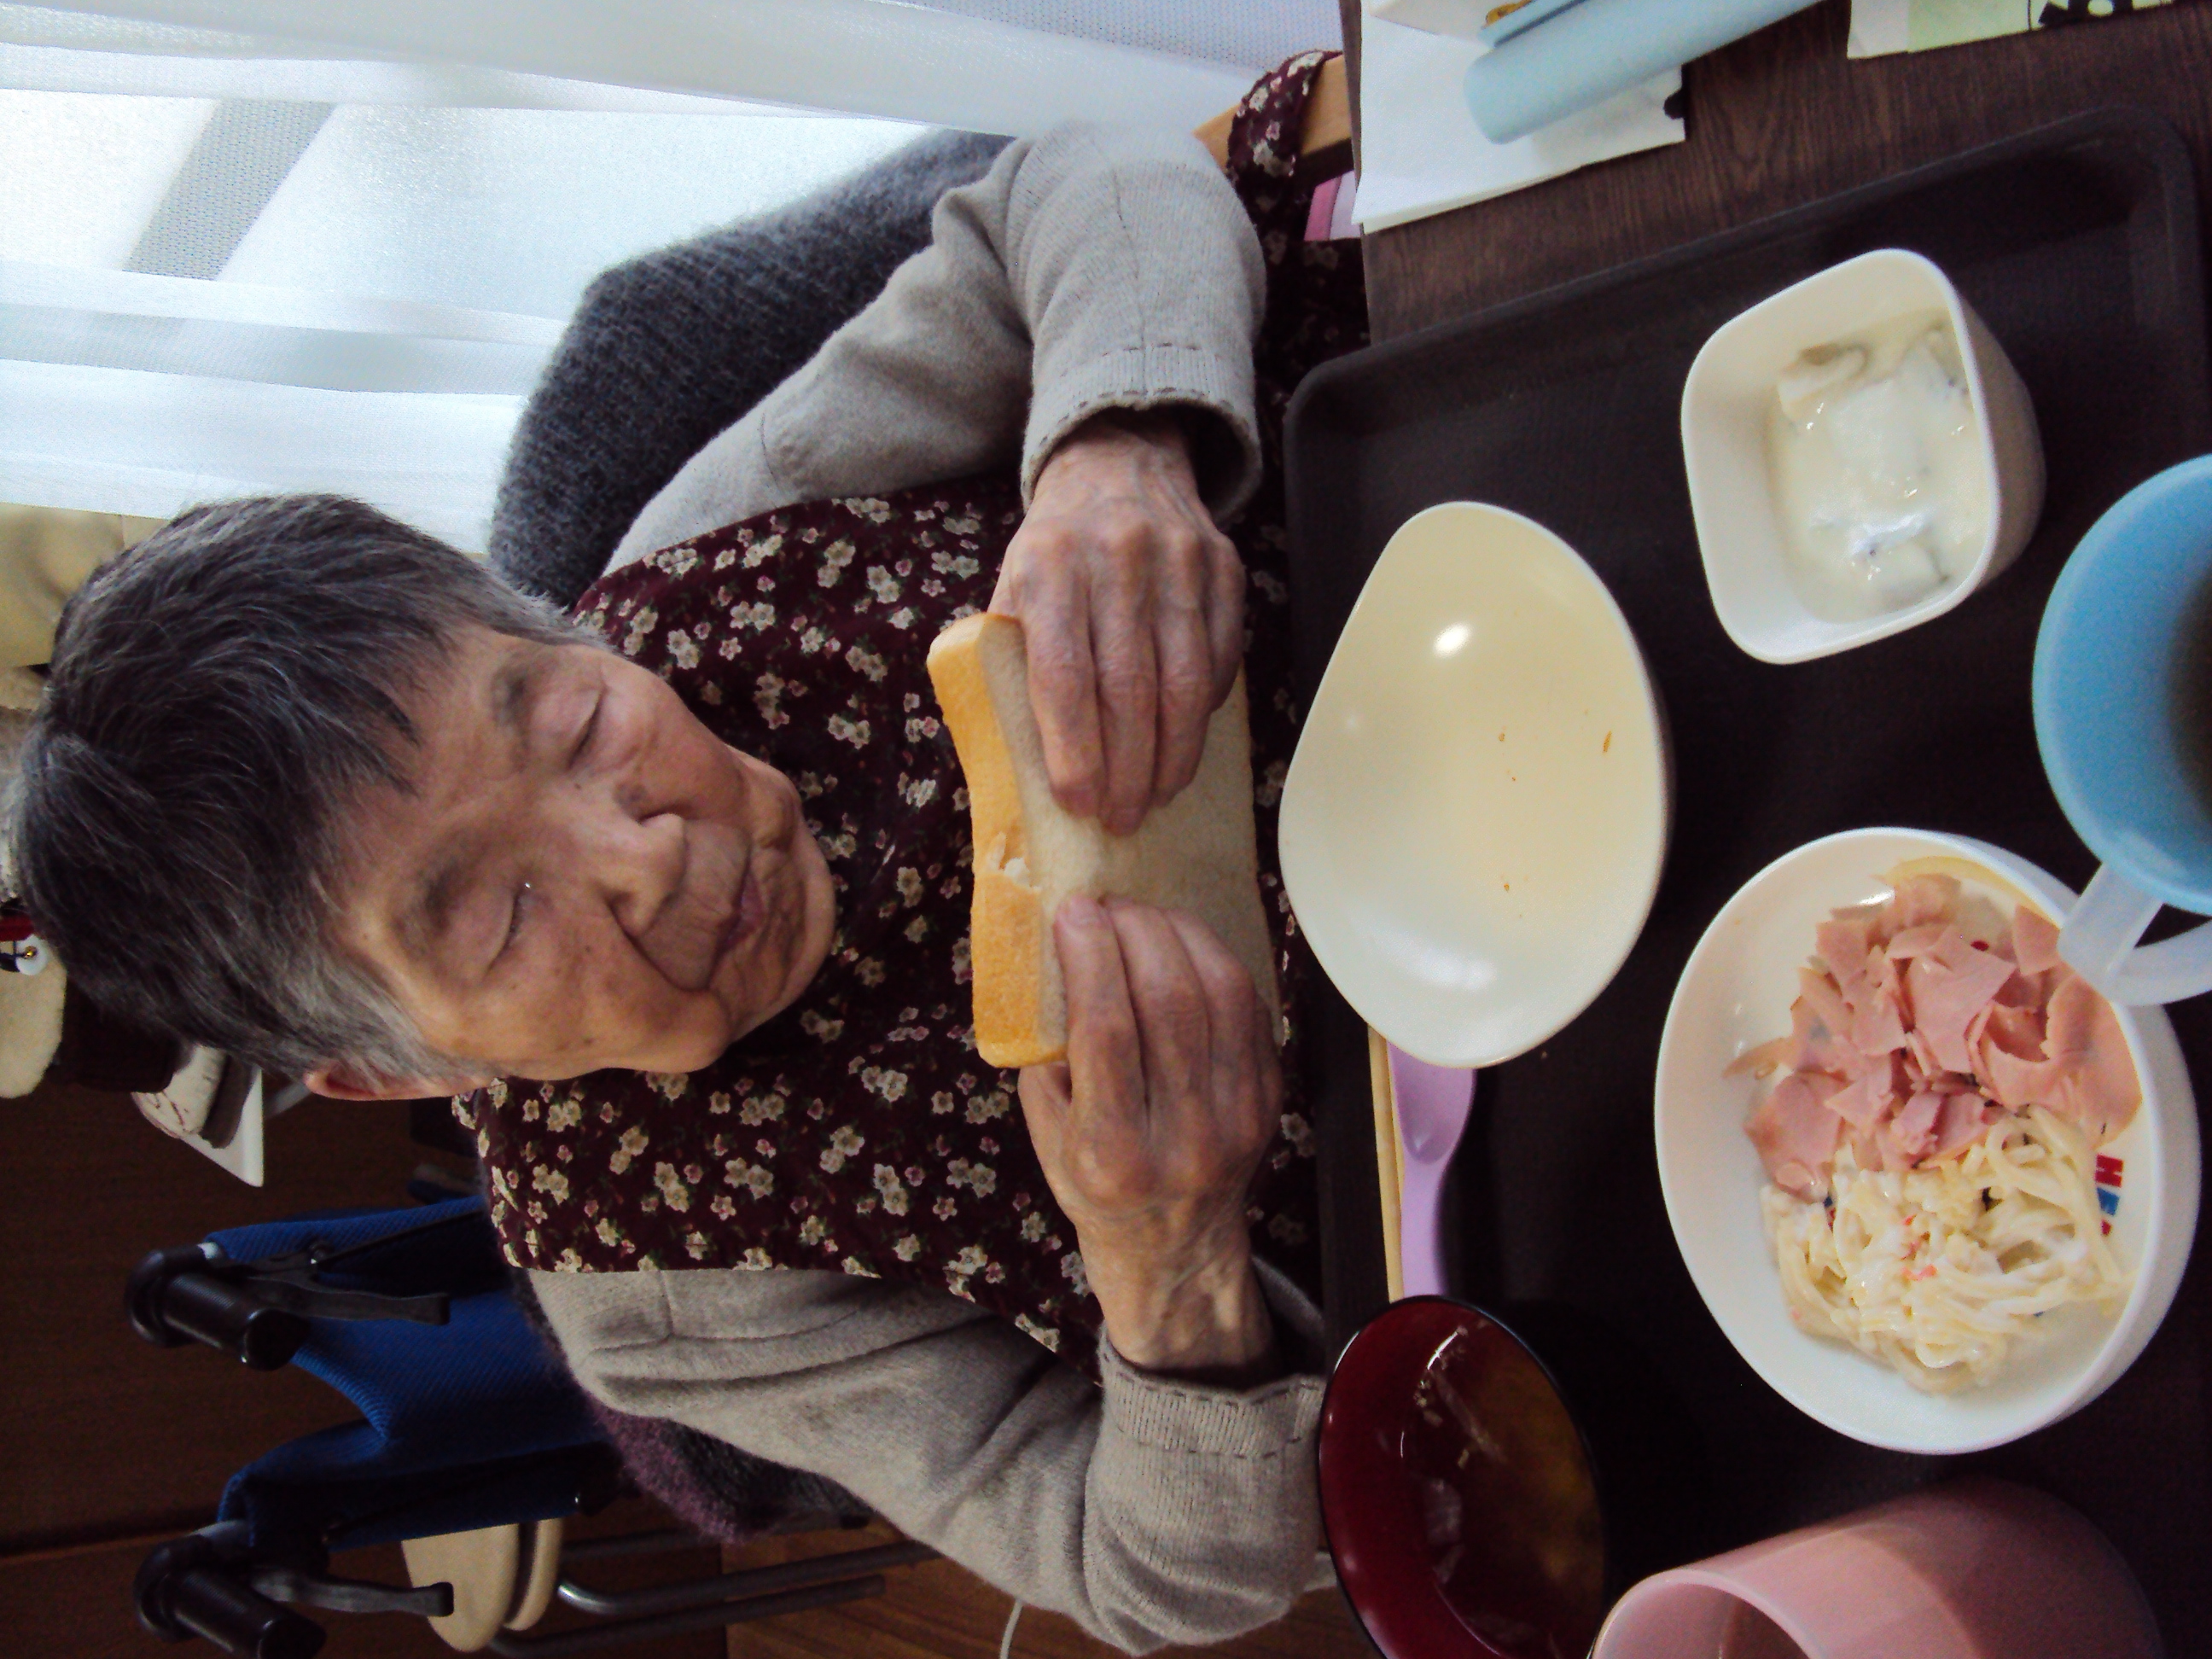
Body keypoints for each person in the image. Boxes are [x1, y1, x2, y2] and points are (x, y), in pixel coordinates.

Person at [12, 55, 1365, 1653]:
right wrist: (1169, 1272)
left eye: (571, 719)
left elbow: (1073, 189)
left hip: (1444, 570)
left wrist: (1111, 449)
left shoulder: (718, 557)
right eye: (496, 916)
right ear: (399, 1071)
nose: (640, 855)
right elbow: (1152, 1574)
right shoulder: (666, 1288)